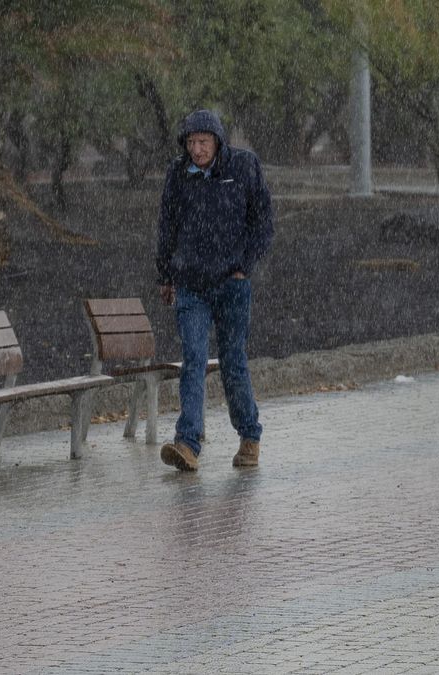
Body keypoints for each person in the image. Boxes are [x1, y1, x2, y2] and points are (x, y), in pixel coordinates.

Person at [156, 109, 273, 471]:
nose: (196, 149)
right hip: (190, 285)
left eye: (203, 142)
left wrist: (244, 267)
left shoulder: (243, 167)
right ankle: (187, 443)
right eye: (191, 142)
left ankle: (249, 436)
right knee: (193, 359)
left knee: (232, 362)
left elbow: (262, 222)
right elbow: (167, 226)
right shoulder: (178, 174)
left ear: (218, 141)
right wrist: (165, 275)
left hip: (231, 285)